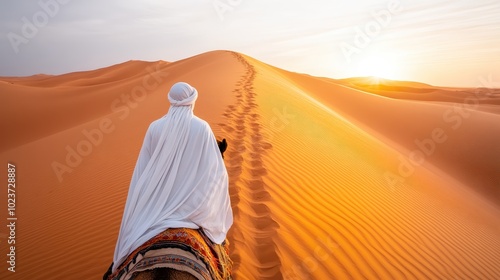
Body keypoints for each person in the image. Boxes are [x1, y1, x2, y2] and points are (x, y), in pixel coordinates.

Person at [111, 82, 233, 274]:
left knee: (125, 254)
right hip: (193, 209)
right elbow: (215, 174)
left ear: (171, 100)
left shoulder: (154, 128)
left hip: (156, 208)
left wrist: (141, 206)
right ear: (192, 101)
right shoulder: (202, 128)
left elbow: (142, 172)